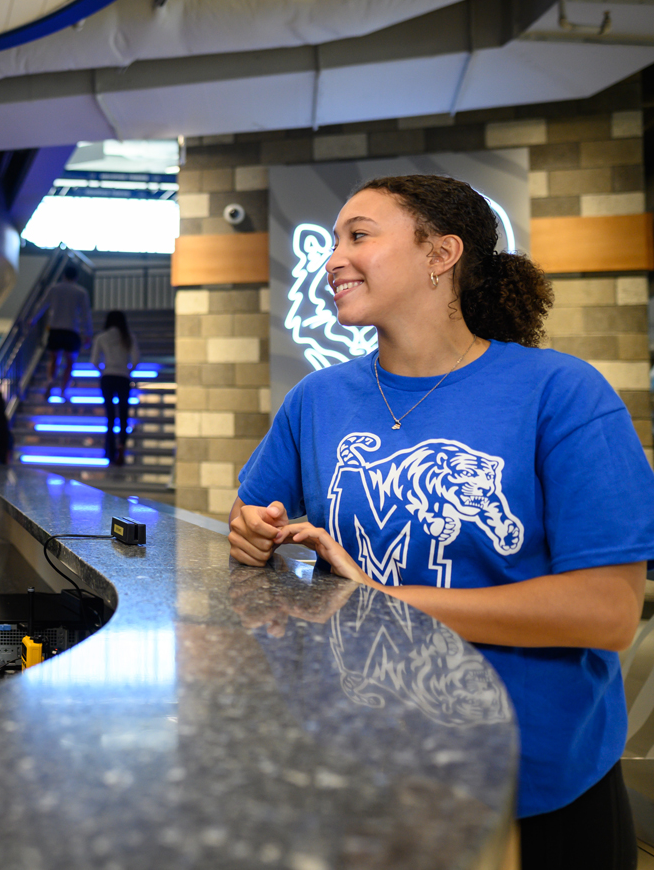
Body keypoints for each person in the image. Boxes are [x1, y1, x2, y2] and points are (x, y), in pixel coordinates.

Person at [229, 174, 650, 869]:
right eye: (332, 239)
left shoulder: (564, 394)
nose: (332, 257)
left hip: (534, 785)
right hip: (368, 770)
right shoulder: (317, 399)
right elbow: (251, 515)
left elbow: (607, 611)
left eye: (358, 235)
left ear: (440, 254)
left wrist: (382, 600)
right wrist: (251, 531)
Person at [32, 265, 93, 398]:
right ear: (76, 277)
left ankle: (50, 381)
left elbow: (42, 305)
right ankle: (64, 390)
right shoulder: (81, 292)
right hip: (72, 330)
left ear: (63, 275)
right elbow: (85, 314)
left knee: (54, 359)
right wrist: (88, 334)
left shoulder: (54, 288)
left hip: (55, 329)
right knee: (70, 362)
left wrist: (32, 320)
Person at [91, 311, 140, 466]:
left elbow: (93, 361)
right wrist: (128, 370)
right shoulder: (128, 337)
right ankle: (122, 449)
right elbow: (137, 359)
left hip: (107, 377)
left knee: (110, 416)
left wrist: (103, 370)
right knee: (124, 416)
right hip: (123, 378)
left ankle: (110, 452)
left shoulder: (101, 337)